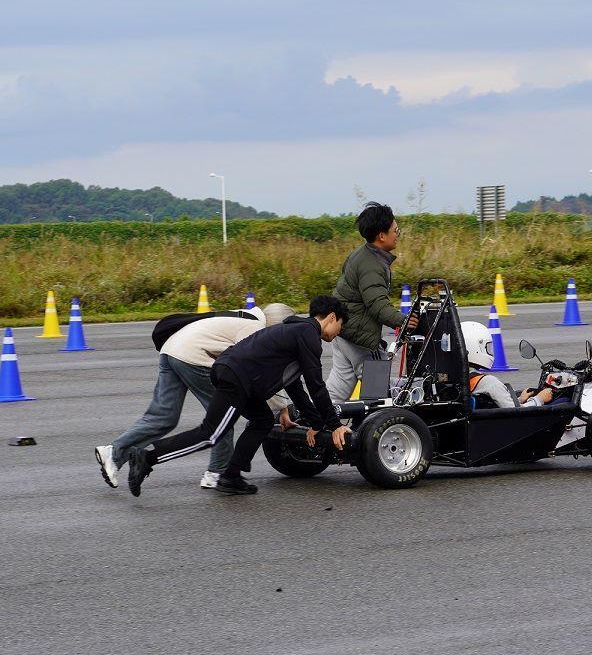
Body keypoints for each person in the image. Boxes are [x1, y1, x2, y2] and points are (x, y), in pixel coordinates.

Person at [125, 295, 350, 497]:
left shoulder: (296, 331)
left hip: (238, 376)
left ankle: (231, 476)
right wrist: (334, 425)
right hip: (237, 378)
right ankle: (147, 458)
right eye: (340, 325)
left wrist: (317, 424)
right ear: (331, 317)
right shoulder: (308, 334)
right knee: (210, 434)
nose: (340, 331)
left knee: (262, 421)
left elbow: (295, 386)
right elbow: (316, 385)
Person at [94, 303, 296, 490]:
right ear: (278, 327)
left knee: (163, 417)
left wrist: (282, 407)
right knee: (221, 421)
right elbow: (251, 371)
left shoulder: (244, 316)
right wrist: (280, 406)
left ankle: (113, 452)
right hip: (195, 357)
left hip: (171, 351)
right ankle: (217, 474)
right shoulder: (255, 329)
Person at [326, 202, 418, 401]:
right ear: (381, 236)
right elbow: (377, 306)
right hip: (361, 338)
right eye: (395, 230)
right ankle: (375, 431)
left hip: (343, 333)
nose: (398, 234)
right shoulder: (372, 265)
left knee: (336, 392)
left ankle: (317, 424)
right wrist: (403, 320)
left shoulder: (360, 254)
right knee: (378, 395)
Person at [461, 321, 554, 408]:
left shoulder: (460, 379)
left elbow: (505, 405)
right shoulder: (489, 383)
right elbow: (514, 412)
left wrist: (520, 400)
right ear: (474, 347)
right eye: (487, 346)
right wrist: (539, 399)